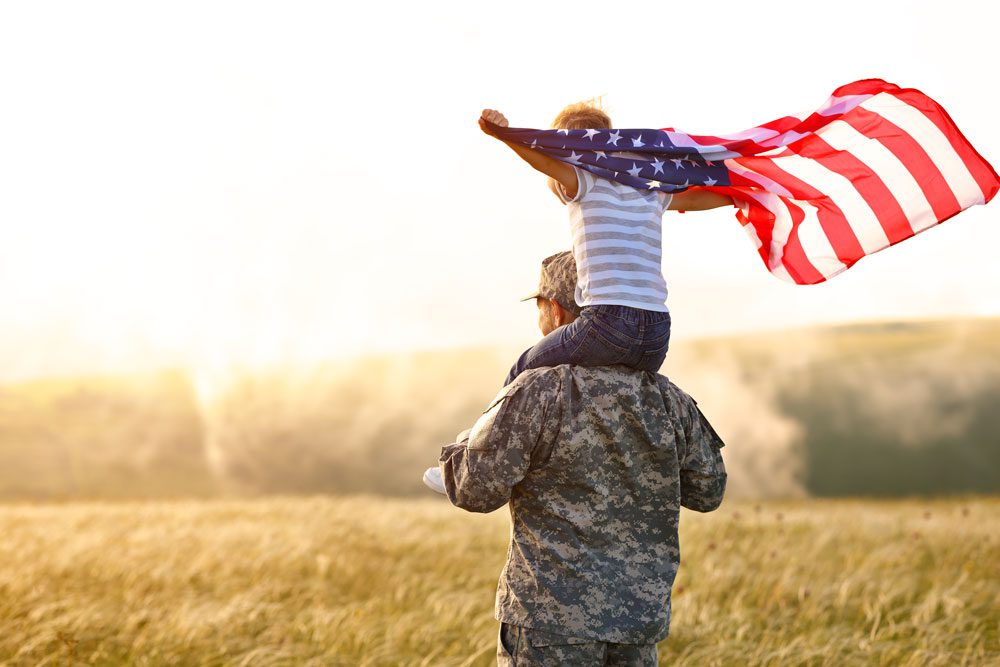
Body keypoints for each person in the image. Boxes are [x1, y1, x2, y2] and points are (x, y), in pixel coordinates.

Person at [424, 251, 728, 666]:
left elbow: (475, 491)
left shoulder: (538, 389)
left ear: (556, 310)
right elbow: (708, 491)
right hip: (637, 625)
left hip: (550, 624)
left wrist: (462, 448)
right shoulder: (668, 398)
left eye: (539, 308)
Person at [479, 104, 734, 386]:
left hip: (608, 324)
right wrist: (745, 193)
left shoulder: (585, 181)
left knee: (521, 370)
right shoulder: (647, 187)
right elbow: (697, 200)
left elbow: (542, 163)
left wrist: (503, 135)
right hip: (657, 336)